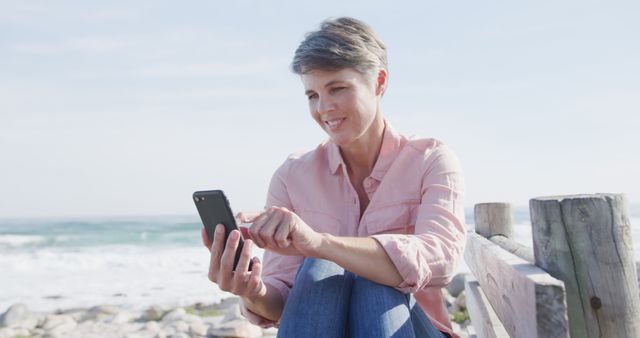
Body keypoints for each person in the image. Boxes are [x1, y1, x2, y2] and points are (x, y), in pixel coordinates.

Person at [201, 17, 466, 338]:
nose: (324, 108)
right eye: (312, 95)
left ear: (379, 82)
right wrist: (251, 291)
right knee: (322, 269)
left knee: (368, 276)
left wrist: (319, 243)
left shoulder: (431, 159)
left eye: (337, 88)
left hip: (416, 329)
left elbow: (442, 259)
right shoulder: (292, 176)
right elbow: (282, 302)